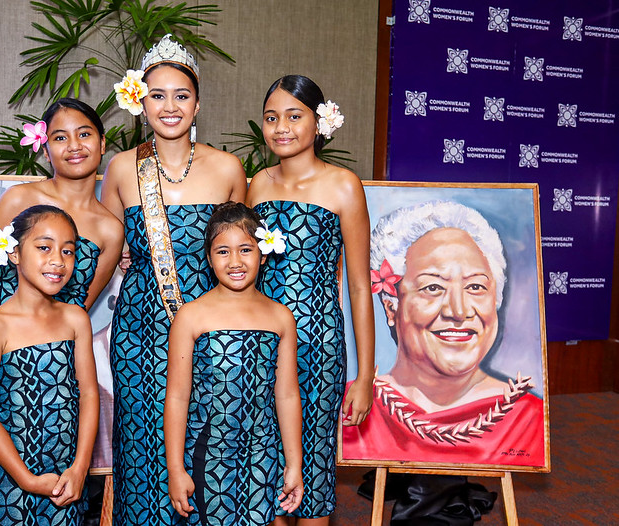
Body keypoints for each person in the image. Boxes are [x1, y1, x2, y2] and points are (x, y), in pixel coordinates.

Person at [100, 34, 246, 525]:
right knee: (144, 445)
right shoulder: (121, 169)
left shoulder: (228, 168)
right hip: (141, 330)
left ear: (198, 102)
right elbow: (106, 248)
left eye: (181, 95)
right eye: (157, 95)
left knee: (213, 444)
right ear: (141, 103)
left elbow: (240, 252)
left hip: (211, 327)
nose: (170, 106)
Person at [246, 75, 375, 524]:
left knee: (314, 469)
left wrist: (365, 376)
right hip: (259, 346)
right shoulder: (254, 186)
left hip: (317, 346)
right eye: (271, 117)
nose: (281, 127)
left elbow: (359, 285)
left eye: (294, 116)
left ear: (319, 122)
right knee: (265, 469)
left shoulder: (344, 186)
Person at [343, 200, 545, 467]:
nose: (458, 311)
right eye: (433, 288)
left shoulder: (528, 419)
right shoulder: (349, 409)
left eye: (475, 286)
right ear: (391, 307)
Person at [164, 202, 304, 526]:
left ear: (263, 253)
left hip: (262, 454)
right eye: (223, 252)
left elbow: (286, 396)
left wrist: (293, 462)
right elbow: (177, 397)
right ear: (209, 259)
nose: (236, 261)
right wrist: (175, 469)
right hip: (207, 453)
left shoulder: (280, 317)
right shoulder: (191, 316)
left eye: (245, 249)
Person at [0, 204, 100, 524]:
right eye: (44, 247)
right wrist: (26, 479)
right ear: (13, 253)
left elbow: (88, 395)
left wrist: (80, 468)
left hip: (65, 476)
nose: (57, 260)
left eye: (68, 251)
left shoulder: (75, 319)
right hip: (9, 479)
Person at [0, 97, 124, 330]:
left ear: (102, 143)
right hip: (3, 350)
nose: (74, 146)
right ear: (46, 152)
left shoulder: (110, 230)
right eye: (60, 138)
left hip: (59, 358)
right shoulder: (18, 199)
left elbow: (78, 313)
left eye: (84, 134)